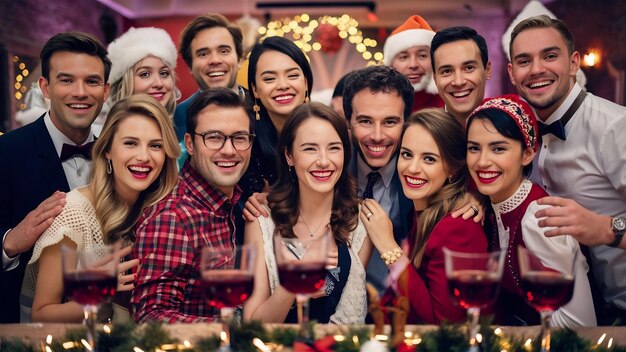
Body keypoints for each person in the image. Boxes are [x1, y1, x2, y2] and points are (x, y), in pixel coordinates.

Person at [507, 15, 626, 325]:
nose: (536, 70)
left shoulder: (615, 127)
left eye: (550, 56)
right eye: (524, 60)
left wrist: (603, 228)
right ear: (512, 73)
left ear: (574, 63)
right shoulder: (520, 134)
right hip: (580, 313)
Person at [24, 94, 180, 322]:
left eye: (155, 145)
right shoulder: (73, 214)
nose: (144, 156)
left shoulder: (164, 211)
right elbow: (42, 314)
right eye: (130, 143)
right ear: (107, 149)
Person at [0, 32, 111, 323]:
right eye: (66, 80)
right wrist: (10, 242)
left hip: (104, 326)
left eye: (92, 81)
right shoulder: (6, 153)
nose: (80, 92)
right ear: (45, 87)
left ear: (106, 91)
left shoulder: (116, 157)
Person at [466, 94, 596, 327]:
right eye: (474, 148)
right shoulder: (492, 203)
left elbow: (580, 325)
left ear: (528, 153)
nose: (482, 161)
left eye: (498, 149)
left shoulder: (539, 219)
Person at [243, 102, 373, 324]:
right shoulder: (261, 219)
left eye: (334, 148)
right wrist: (294, 283)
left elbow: (350, 322)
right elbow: (252, 325)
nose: (323, 161)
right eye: (310, 148)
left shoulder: (361, 222)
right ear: (289, 156)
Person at [132, 87, 253, 323]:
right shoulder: (173, 217)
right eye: (214, 137)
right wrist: (231, 331)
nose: (229, 150)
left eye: (239, 138)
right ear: (190, 143)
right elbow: (151, 318)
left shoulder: (231, 202)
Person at [361, 108, 487, 324]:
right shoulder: (421, 213)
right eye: (407, 154)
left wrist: (388, 247)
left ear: (452, 169)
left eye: (429, 159)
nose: (412, 168)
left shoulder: (457, 228)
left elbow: (444, 326)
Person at [239, 36, 313, 197]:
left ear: (306, 83)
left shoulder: (327, 131)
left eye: (292, 76)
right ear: (255, 89)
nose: (283, 85)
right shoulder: (244, 141)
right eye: (269, 79)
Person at [173, 13, 245, 149]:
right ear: (190, 66)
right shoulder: (177, 118)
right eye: (203, 54)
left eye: (224, 51)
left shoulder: (263, 110)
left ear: (240, 59)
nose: (215, 60)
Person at [103, 27, 178, 135]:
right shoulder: (106, 134)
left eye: (164, 73)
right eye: (145, 74)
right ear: (124, 83)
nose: (158, 83)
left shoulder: (182, 129)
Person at [431, 26, 491, 126]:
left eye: (468, 68)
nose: (458, 82)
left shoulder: (509, 125)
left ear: (488, 70)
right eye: (447, 71)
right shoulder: (423, 133)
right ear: (435, 78)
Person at [383, 15, 444, 112]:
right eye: (403, 57)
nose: (413, 65)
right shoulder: (379, 102)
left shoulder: (449, 102)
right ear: (390, 64)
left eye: (422, 56)